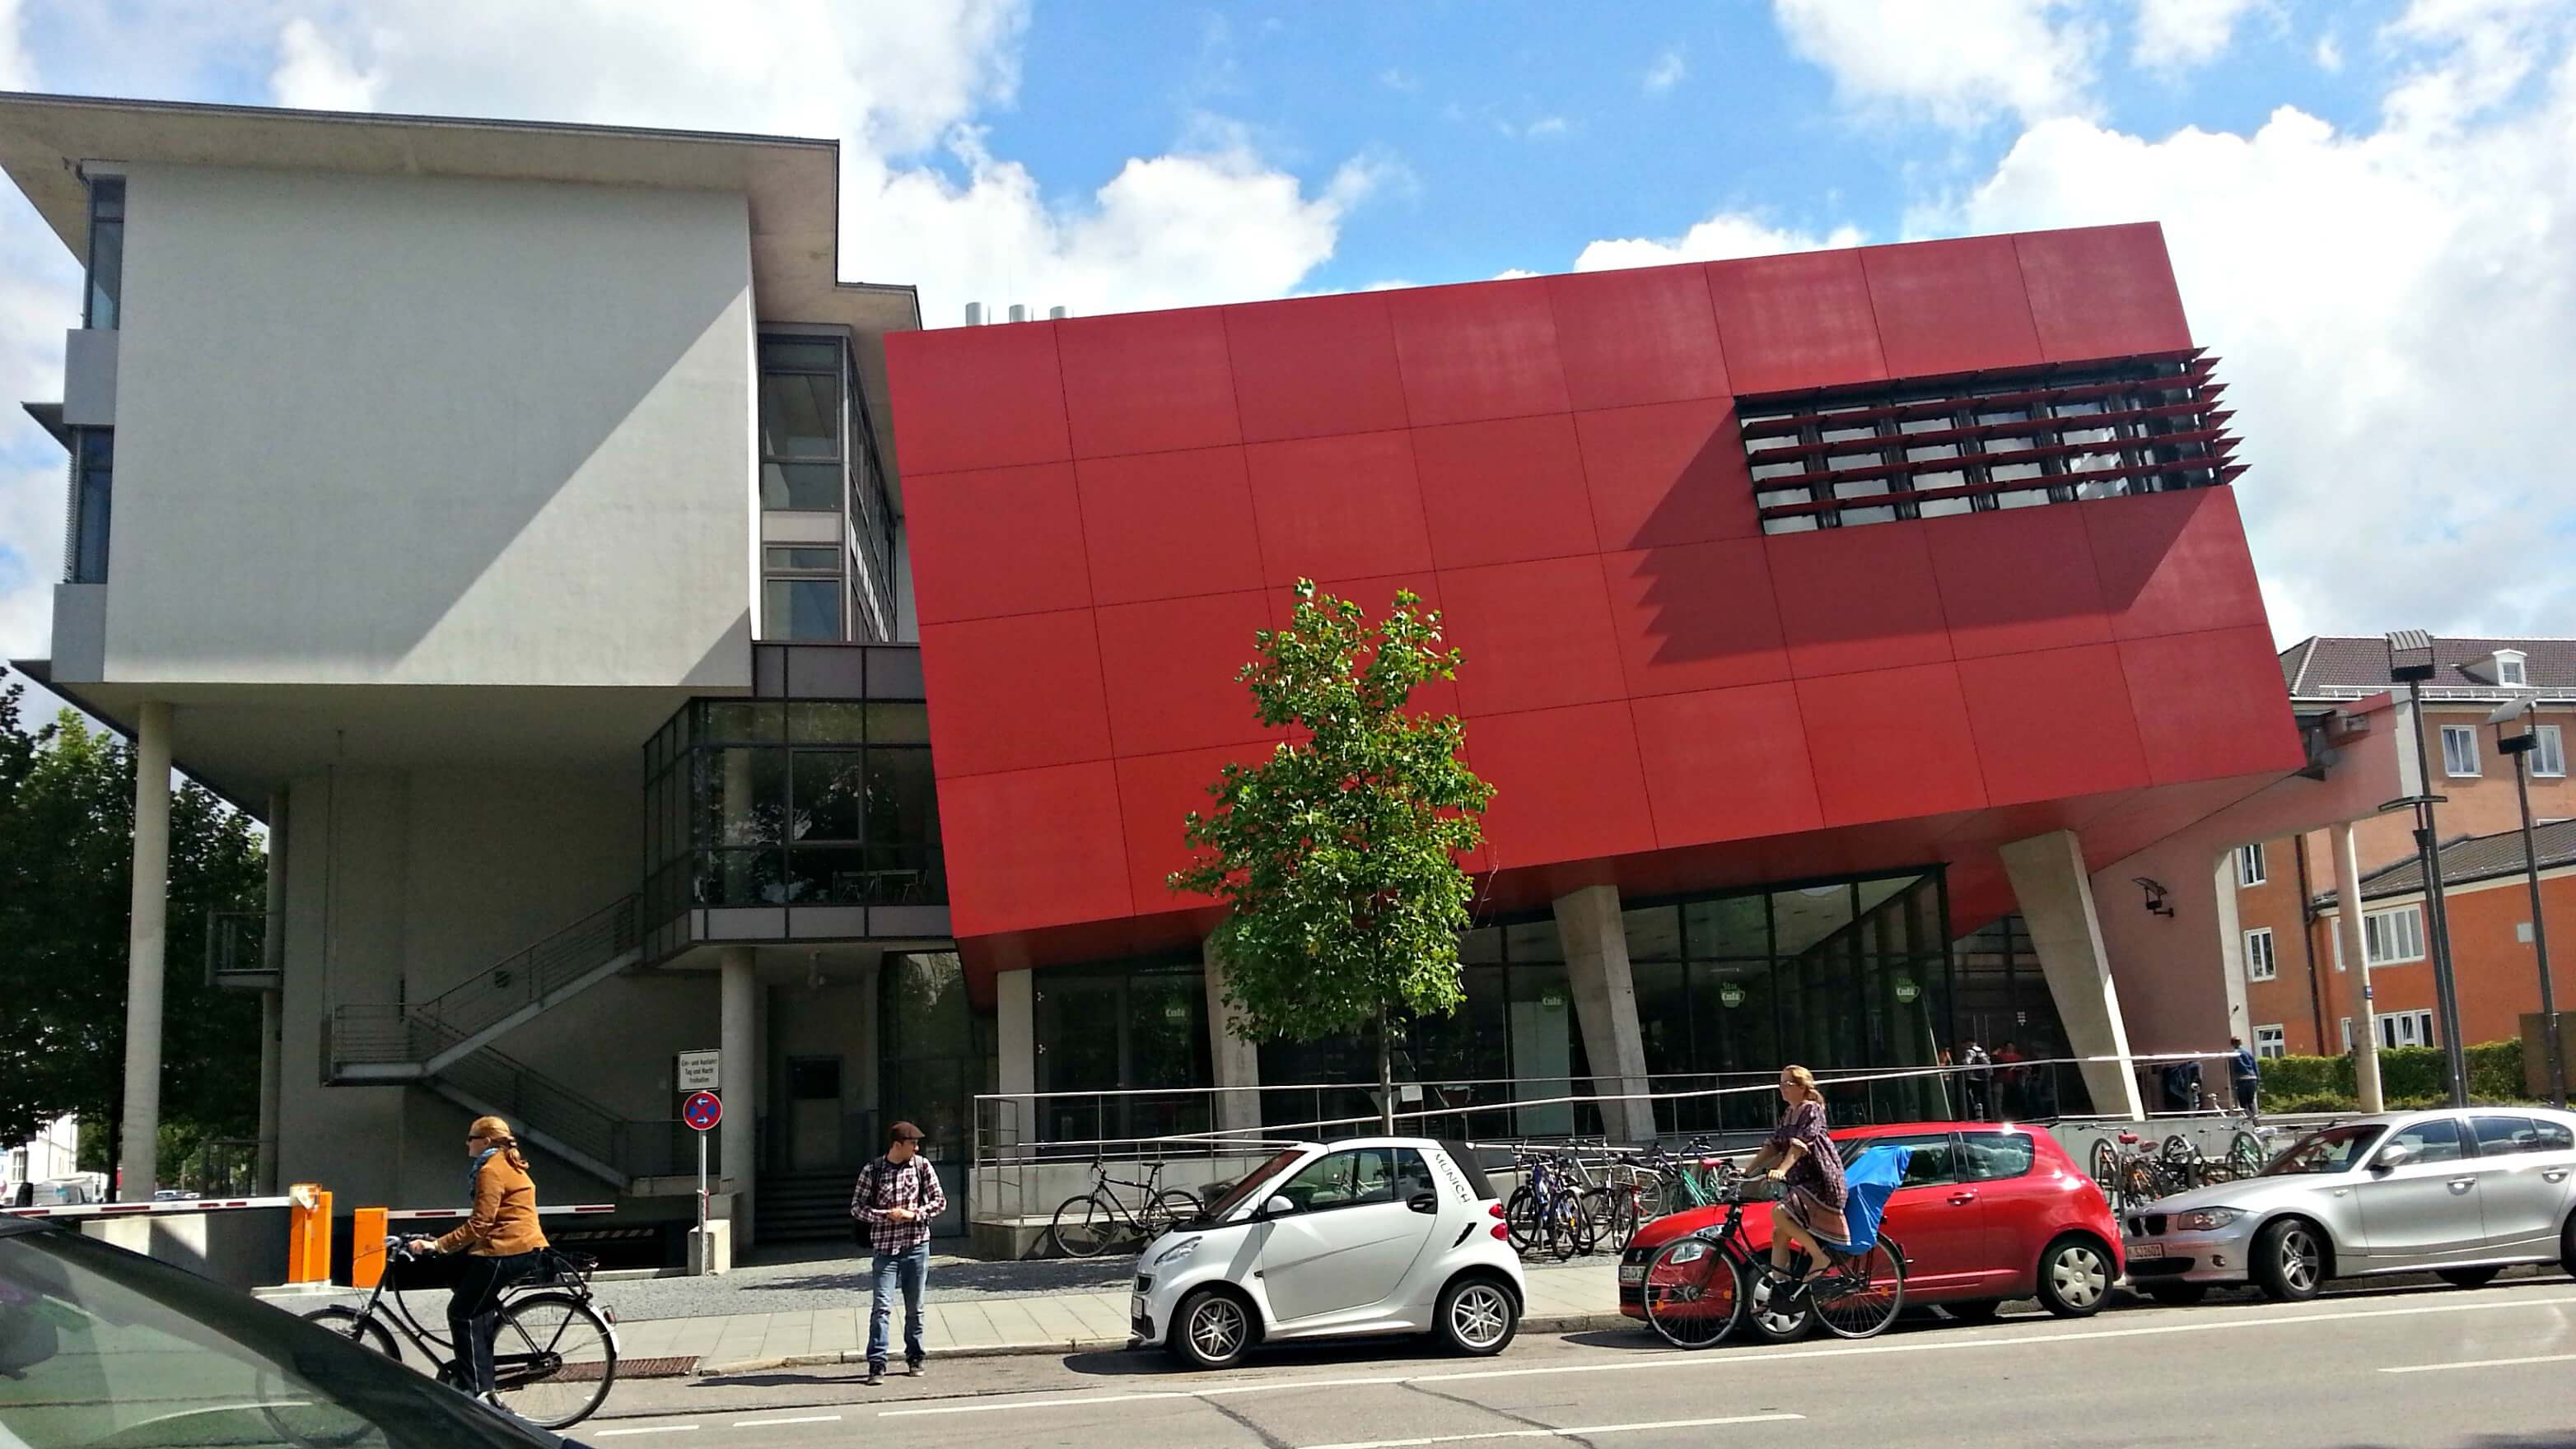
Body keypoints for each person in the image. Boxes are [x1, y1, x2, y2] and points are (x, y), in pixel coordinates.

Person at [404, 1116, 548, 1410]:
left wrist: (437, 1244)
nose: (467, 1143)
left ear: (486, 1141)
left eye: (471, 1137)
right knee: (463, 1284)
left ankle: (478, 1393)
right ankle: (480, 1369)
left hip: (505, 1249)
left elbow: (480, 1224)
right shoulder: (509, 1162)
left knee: (461, 1312)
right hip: (519, 1246)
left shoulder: (491, 1170)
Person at [1743, 1065, 1847, 1310]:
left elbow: (1800, 1146)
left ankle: (1820, 1259)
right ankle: (1779, 1294)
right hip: (1802, 1183)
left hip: (1822, 1181)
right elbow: (1774, 1145)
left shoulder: (1811, 1109)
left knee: (1779, 1212)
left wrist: (1782, 1170)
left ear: (1801, 1087)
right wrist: (1747, 1171)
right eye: (1780, 1083)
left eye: (1787, 1084)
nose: (1782, 1088)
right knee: (1779, 1235)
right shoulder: (1789, 1112)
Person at [851, 1120, 945, 1386]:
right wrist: (886, 1216)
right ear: (896, 1145)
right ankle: (877, 1363)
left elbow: (939, 1202)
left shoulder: (921, 1166)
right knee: (881, 1307)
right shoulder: (873, 1170)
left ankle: (915, 1357)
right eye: (912, 1143)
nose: (916, 1148)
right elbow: (857, 1208)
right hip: (885, 1250)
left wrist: (913, 1214)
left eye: (917, 1144)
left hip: (916, 1246)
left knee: (915, 1307)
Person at [2229, 1037, 2261, 1121]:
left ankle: (2250, 1120)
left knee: (2243, 1102)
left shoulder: (2233, 1054)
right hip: (2252, 1078)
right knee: (2250, 1101)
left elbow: (2230, 1069)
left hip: (2241, 1079)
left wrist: (2232, 1082)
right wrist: (2257, 1079)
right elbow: (2255, 1066)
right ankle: (2255, 1120)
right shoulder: (2248, 1053)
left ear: (2232, 1044)